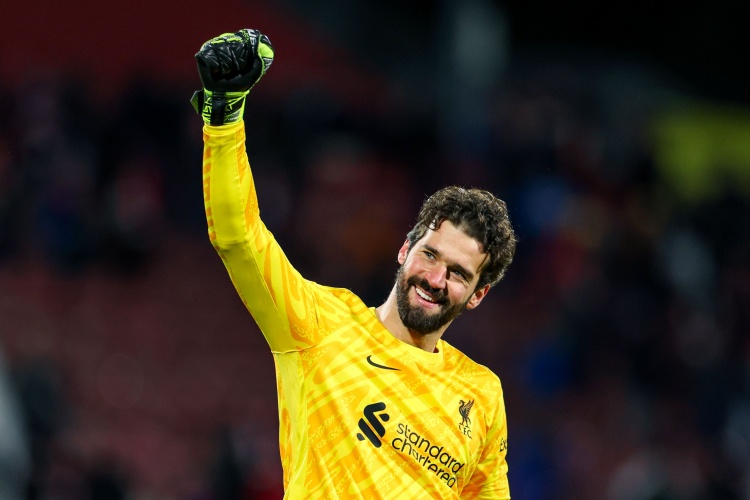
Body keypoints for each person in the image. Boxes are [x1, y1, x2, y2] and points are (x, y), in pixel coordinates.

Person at [192, 29, 517, 499]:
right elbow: (238, 237)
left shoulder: (481, 394)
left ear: (477, 295)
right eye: (430, 255)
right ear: (405, 250)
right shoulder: (321, 325)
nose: (435, 279)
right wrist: (224, 116)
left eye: (458, 274)